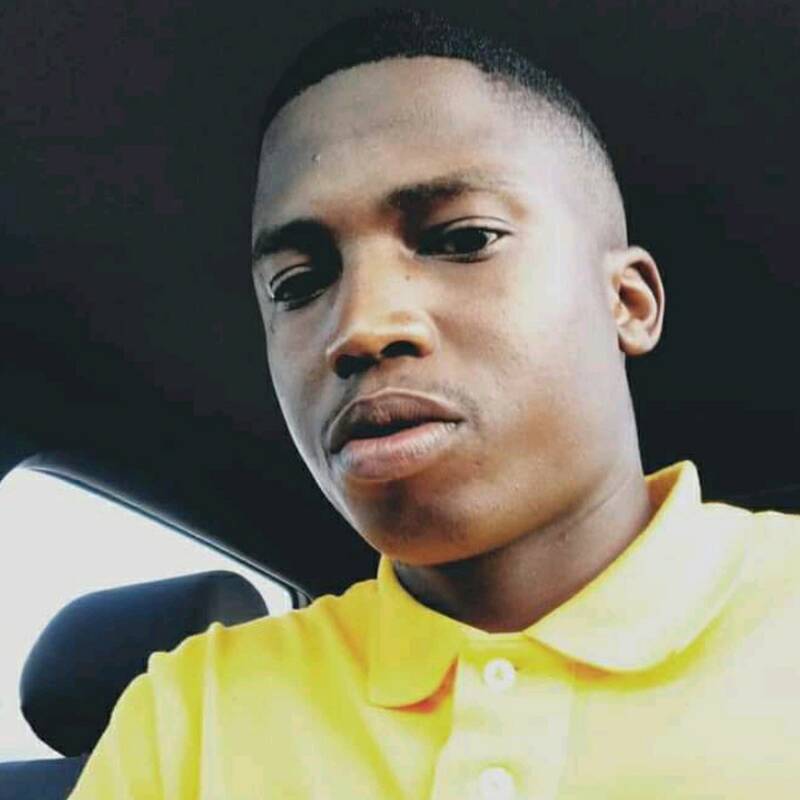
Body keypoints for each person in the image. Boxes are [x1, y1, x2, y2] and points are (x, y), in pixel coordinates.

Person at [69, 9, 800, 799]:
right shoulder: (191, 717)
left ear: (626, 303)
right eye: (298, 284)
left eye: (462, 240)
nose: (359, 327)